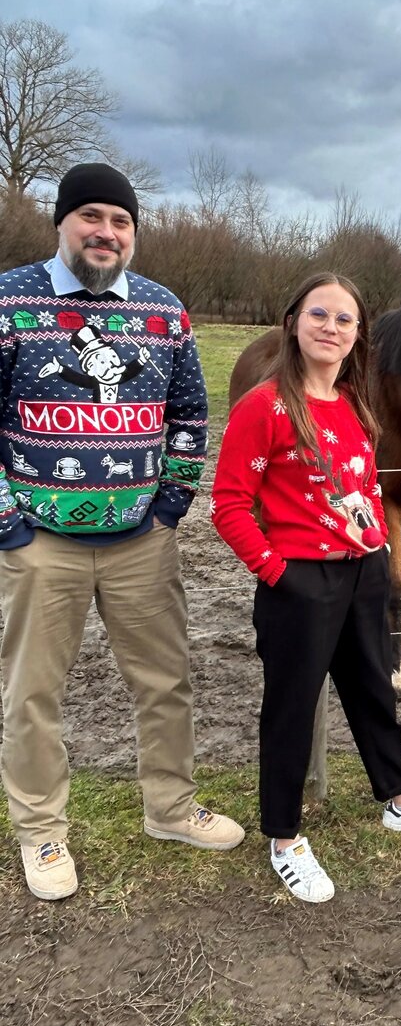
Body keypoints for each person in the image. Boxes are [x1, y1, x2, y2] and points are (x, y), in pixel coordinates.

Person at [0, 162, 243, 902]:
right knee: (33, 692)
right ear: (62, 222)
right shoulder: (11, 299)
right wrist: (9, 523)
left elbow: (191, 415)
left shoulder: (165, 312)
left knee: (166, 682)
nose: (107, 232)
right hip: (41, 541)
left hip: (141, 539)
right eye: (93, 216)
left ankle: (170, 808)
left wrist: (168, 508)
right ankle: (42, 830)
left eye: (121, 221)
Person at [212, 272, 401, 903]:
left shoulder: (356, 405)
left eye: (345, 320)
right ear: (295, 322)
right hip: (298, 579)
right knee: (292, 708)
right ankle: (285, 838)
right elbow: (228, 504)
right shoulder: (263, 407)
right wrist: (275, 573)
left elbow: (359, 491)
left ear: (359, 337)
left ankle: (400, 798)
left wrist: (377, 552)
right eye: (319, 315)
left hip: (361, 572)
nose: (331, 328)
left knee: (373, 690)